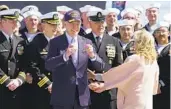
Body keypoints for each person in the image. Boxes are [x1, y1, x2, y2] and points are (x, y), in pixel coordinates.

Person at [45, 10, 104, 109]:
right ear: (65, 24)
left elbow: (101, 66)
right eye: (71, 23)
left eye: (78, 23)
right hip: (62, 97)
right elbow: (48, 65)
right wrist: (65, 56)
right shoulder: (56, 42)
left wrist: (92, 56)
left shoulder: (86, 41)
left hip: (81, 96)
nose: (75, 27)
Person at [88, 29, 160, 109]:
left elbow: (117, 74)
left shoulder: (134, 59)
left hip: (133, 101)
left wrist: (96, 77)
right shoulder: (153, 62)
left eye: (135, 41)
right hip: (147, 102)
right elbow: (154, 87)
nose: (133, 44)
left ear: (140, 43)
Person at [85, 8, 123, 109]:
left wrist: (105, 84)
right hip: (87, 91)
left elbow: (119, 67)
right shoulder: (82, 40)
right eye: (97, 22)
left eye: (102, 21)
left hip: (108, 92)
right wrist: (90, 82)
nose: (101, 25)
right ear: (90, 23)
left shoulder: (114, 41)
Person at [0, 9, 26, 109]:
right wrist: (7, 81)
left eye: (17, 21)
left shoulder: (20, 41)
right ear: (2, 22)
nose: (16, 23)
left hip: (17, 90)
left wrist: (19, 80)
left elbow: (25, 64)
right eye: (12, 21)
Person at [153, 21, 170, 109]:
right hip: (151, 88)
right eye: (158, 32)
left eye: (163, 31)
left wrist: (161, 83)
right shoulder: (150, 48)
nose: (161, 34)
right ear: (154, 35)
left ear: (169, 33)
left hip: (168, 89)